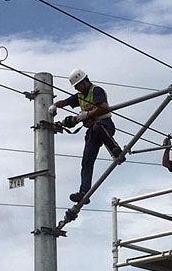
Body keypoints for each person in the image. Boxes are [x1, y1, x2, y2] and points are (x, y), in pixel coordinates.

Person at [49, 69, 124, 204]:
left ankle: (115, 149)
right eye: (75, 87)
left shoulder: (96, 91)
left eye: (78, 86)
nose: (77, 89)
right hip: (93, 132)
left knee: (97, 126)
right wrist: (54, 105)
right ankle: (84, 192)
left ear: (84, 81)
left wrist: (87, 115)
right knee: (86, 162)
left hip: (105, 125)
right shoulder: (80, 96)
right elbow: (65, 102)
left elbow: (104, 107)